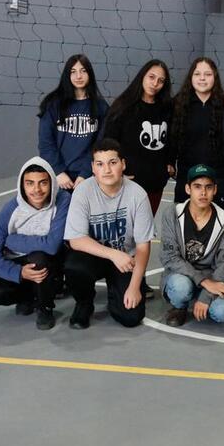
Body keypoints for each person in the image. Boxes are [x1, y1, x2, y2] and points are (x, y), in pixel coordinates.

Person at [63, 139, 154, 329]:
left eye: (113, 162)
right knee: (73, 266)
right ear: (93, 168)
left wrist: (134, 287)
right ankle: (84, 304)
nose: (107, 170)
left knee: (131, 318)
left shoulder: (138, 195)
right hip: (95, 257)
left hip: (125, 261)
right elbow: (76, 240)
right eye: (100, 164)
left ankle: (116, 293)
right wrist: (113, 254)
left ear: (123, 164)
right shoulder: (83, 192)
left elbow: (143, 246)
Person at [103, 59, 174, 300]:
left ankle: (137, 280)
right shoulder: (123, 106)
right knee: (126, 234)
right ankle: (121, 278)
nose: (156, 83)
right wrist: (118, 169)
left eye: (161, 80)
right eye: (152, 77)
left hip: (155, 183)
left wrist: (170, 163)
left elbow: (172, 140)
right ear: (142, 76)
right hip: (130, 184)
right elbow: (108, 143)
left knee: (142, 234)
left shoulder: (167, 108)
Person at [0, 157, 71, 330]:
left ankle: (45, 307)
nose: (37, 190)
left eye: (43, 183)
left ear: (52, 183)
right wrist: (19, 273)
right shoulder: (10, 210)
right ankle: (27, 297)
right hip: (19, 264)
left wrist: (12, 240)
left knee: (40, 258)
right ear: (22, 185)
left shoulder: (62, 201)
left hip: (49, 262)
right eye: (30, 183)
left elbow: (52, 245)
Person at [159, 164, 224, 327]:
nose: (203, 193)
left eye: (208, 187)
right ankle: (179, 306)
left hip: (212, 279)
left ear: (215, 190)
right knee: (180, 287)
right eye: (197, 187)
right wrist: (203, 281)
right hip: (181, 275)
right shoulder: (172, 214)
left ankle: (199, 299)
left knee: (223, 312)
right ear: (188, 189)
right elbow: (170, 258)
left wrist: (206, 296)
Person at [37, 54, 109, 191]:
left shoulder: (100, 107)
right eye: (73, 72)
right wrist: (58, 171)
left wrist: (86, 173)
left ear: (90, 74)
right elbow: (46, 143)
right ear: (67, 75)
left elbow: (101, 144)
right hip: (59, 178)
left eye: (83, 71)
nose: (78, 76)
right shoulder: (53, 104)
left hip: (90, 177)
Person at [169, 57, 224, 211]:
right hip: (187, 176)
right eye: (197, 74)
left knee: (217, 228)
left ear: (215, 78)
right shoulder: (178, 104)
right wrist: (169, 161)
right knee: (185, 226)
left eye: (208, 74)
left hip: (218, 178)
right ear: (191, 77)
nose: (202, 78)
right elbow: (171, 139)